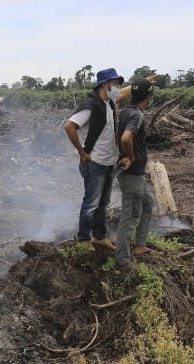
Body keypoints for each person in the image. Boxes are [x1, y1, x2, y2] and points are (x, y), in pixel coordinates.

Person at [63, 68, 126, 250]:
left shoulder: (109, 103)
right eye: (115, 84)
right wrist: (82, 152)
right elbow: (69, 126)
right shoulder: (91, 105)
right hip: (95, 163)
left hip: (108, 163)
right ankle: (83, 240)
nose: (117, 87)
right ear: (105, 84)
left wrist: (143, 82)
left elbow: (122, 93)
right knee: (91, 203)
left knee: (102, 203)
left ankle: (99, 236)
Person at [114, 78, 156, 268]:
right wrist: (130, 157)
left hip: (136, 174)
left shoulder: (125, 111)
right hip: (132, 174)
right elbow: (125, 139)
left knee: (148, 203)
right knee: (131, 215)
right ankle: (122, 261)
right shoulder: (136, 115)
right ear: (149, 97)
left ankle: (139, 245)